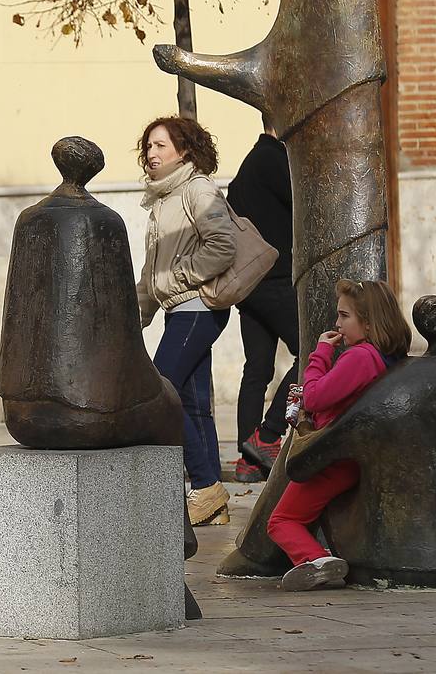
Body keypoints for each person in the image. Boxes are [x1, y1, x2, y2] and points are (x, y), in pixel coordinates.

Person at [267, 279, 411, 591]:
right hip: (358, 456)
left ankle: (318, 561)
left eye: (344, 316)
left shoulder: (359, 357)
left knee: (281, 521)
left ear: (369, 324)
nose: (337, 324)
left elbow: (316, 396)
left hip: (333, 459)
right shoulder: (387, 358)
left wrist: (319, 354)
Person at [136, 116, 237, 527]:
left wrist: (178, 277)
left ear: (184, 150)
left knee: (162, 393)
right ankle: (214, 503)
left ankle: (205, 484)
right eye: (147, 146)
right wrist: (136, 318)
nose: (151, 154)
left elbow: (223, 246)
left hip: (199, 307)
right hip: (181, 309)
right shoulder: (162, 199)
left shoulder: (197, 189)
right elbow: (150, 271)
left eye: (160, 145)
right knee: (193, 405)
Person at [226, 118, 298, 482]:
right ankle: (270, 434)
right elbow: (307, 201)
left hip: (250, 286)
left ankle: (248, 460)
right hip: (276, 280)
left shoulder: (249, 164)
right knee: (316, 353)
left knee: (256, 369)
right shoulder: (274, 159)